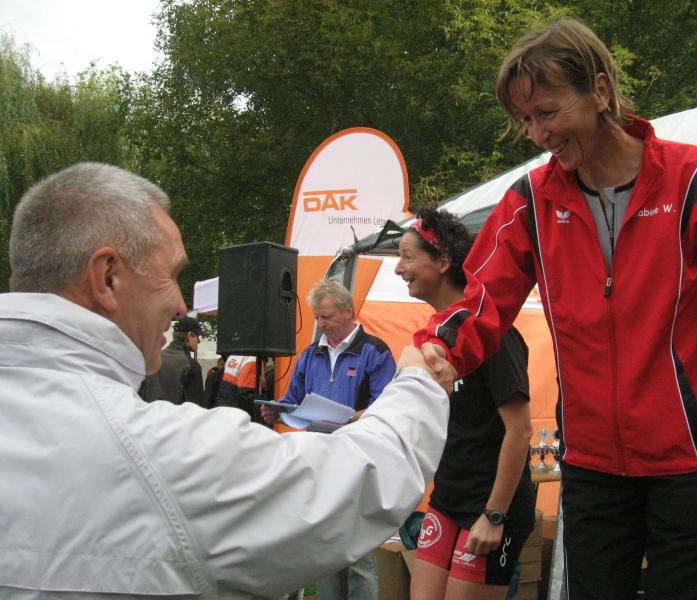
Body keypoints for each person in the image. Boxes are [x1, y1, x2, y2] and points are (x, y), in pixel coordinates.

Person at [415, 18, 697, 600]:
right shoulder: (530, 202)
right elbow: (481, 301)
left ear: (600, 90)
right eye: (525, 120)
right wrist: (439, 349)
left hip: (691, 458)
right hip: (591, 463)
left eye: (547, 111)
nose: (537, 134)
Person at [0, 161, 456, 598]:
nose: (181, 307)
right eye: (171, 276)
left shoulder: (372, 350)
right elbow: (359, 481)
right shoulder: (155, 452)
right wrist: (417, 379)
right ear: (108, 278)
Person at [395, 208, 534, 600]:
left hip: (489, 507)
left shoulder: (493, 335)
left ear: (443, 262)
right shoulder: (435, 338)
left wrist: (494, 515)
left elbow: (520, 431)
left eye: (407, 257)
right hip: (447, 498)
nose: (398, 269)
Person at [262, 279, 397, 600]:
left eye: (327, 317)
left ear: (349, 311)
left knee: (358, 553)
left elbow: (389, 405)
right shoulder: (311, 354)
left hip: (358, 459)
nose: (321, 324)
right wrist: (276, 411)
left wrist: (353, 418)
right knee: (324, 549)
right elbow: (294, 399)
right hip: (320, 459)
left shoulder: (374, 351)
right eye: (317, 318)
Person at [142, 314, 205, 406]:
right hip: (175, 415)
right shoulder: (192, 366)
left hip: (149, 413)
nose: (198, 341)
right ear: (190, 335)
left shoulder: (152, 359)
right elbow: (195, 407)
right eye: (197, 336)